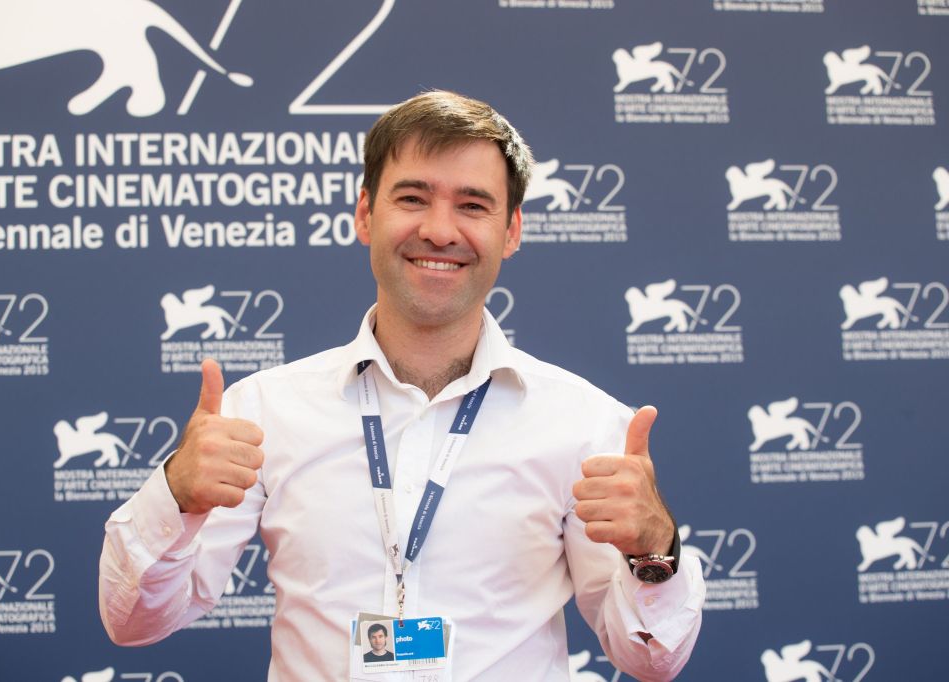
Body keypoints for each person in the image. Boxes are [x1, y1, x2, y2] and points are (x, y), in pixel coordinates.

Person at [99, 90, 705, 681]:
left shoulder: (584, 423)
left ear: (512, 230)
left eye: (473, 205)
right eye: (413, 198)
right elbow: (133, 623)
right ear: (366, 214)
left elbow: (652, 661)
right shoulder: (262, 411)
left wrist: (655, 547)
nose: (440, 231)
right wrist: (175, 495)